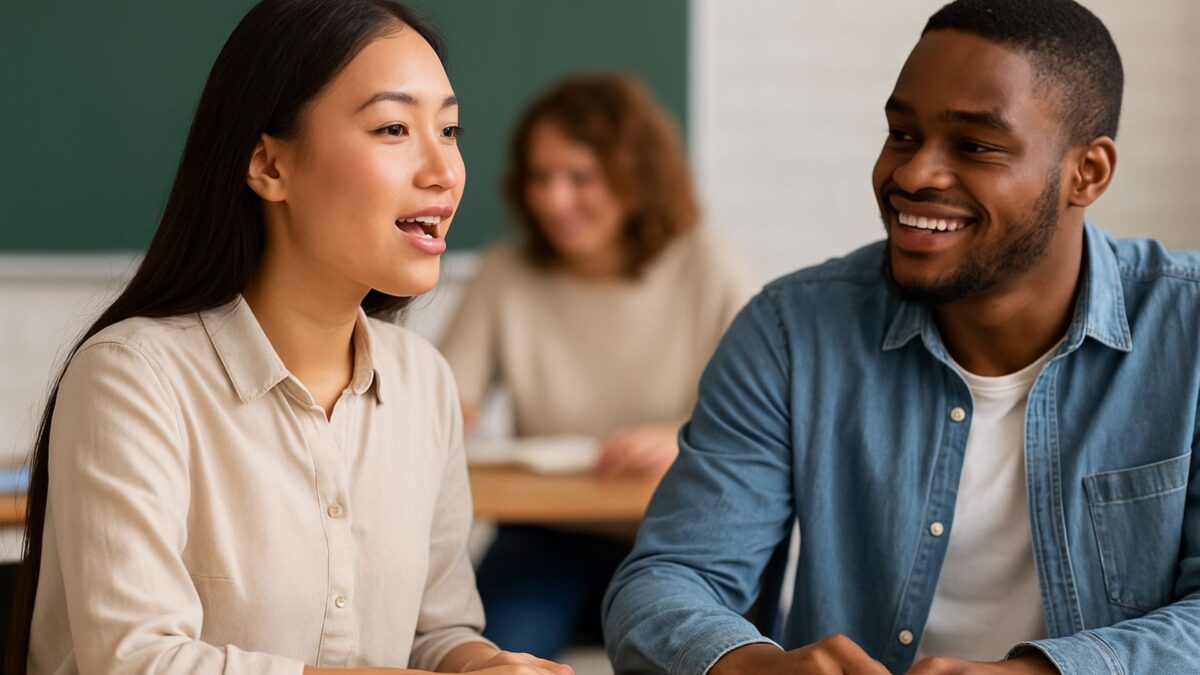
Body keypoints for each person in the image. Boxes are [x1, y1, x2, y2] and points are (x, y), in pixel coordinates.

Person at [603, 0, 1200, 673]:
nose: (912, 175)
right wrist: (750, 664)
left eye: (973, 145)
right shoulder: (790, 332)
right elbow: (665, 580)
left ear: (1087, 172)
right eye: (902, 134)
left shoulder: (1188, 331)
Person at [5, 2, 573, 674]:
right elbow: (137, 661)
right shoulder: (132, 379)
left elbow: (434, 629)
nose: (446, 171)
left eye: (449, 130)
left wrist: (482, 664)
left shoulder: (423, 380)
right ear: (268, 165)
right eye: (394, 128)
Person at [439, 73, 751, 658]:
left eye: (580, 177)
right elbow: (443, 405)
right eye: (540, 177)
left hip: (679, 543)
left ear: (635, 176)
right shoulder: (505, 272)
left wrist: (686, 440)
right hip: (546, 539)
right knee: (490, 657)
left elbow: (763, 420)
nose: (554, 199)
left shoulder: (707, 264)